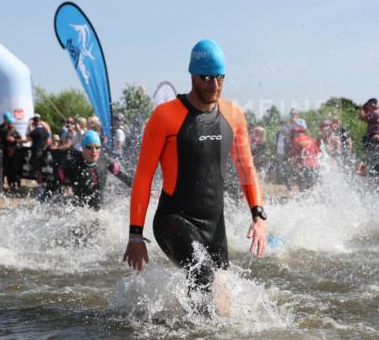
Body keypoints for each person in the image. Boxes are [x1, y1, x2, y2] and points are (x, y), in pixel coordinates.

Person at [123, 39, 267, 303]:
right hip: (173, 219)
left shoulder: (233, 114)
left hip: (214, 226)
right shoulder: (165, 116)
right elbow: (143, 176)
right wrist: (135, 234)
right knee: (201, 275)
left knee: (223, 296)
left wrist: (258, 216)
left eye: (220, 77)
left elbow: (246, 168)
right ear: (192, 75)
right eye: (207, 77)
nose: (214, 85)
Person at [67, 130, 132, 209]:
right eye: (89, 147)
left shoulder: (104, 160)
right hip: (80, 212)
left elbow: (122, 176)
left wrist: (139, 188)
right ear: (83, 148)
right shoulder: (74, 163)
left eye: (97, 147)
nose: (94, 151)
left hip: (99, 211)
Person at [0, 112, 22, 192]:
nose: (11, 125)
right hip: (5, 153)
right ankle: (1, 185)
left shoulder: (15, 132)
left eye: (12, 123)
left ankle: (13, 184)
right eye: (10, 123)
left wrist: (15, 146)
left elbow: (20, 141)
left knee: (13, 170)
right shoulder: (2, 131)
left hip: (14, 154)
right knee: (3, 169)